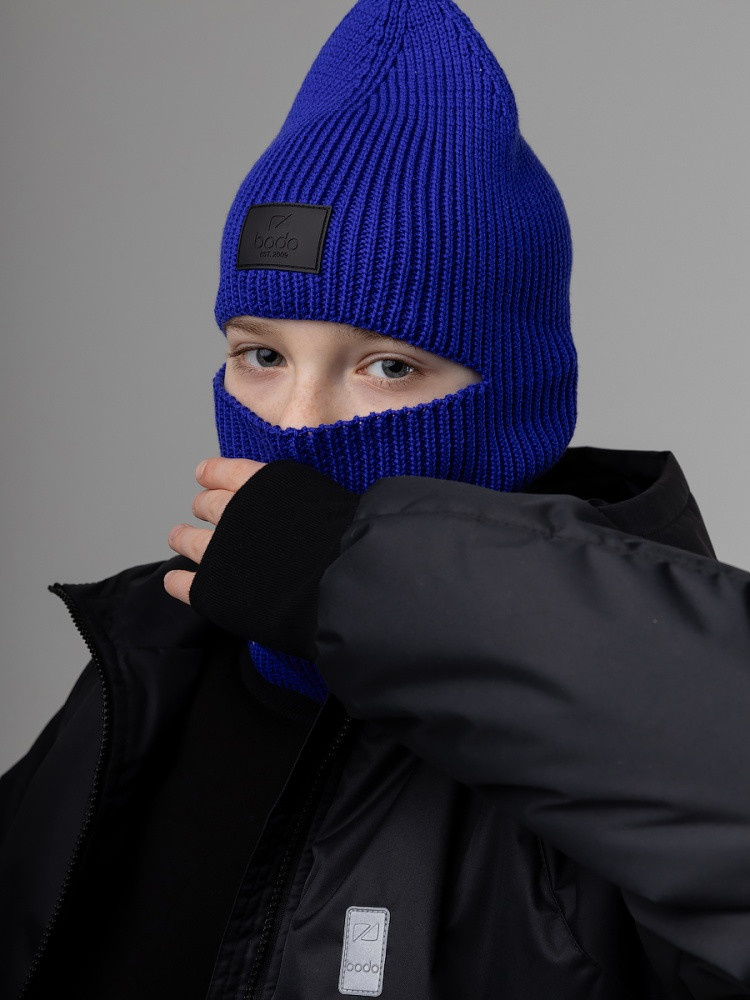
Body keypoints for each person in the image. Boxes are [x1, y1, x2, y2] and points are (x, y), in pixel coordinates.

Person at [1, 0, 749, 997]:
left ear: (517, 399)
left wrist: (364, 586)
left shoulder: (625, 714)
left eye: (388, 366)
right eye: (262, 355)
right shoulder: (143, 666)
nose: (298, 421)